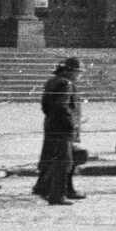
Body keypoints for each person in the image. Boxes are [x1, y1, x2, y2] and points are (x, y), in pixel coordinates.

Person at [36, 58, 86, 205]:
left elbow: (45, 105)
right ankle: (56, 195)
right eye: (78, 72)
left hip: (52, 125)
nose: (80, 76)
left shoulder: (52, 81)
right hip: (63, 128)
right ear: (69, 71)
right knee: (64, 162)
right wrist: (72, 124)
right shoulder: (66, 83)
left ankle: (66, 189)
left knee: (67, 158)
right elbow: (62, 107)